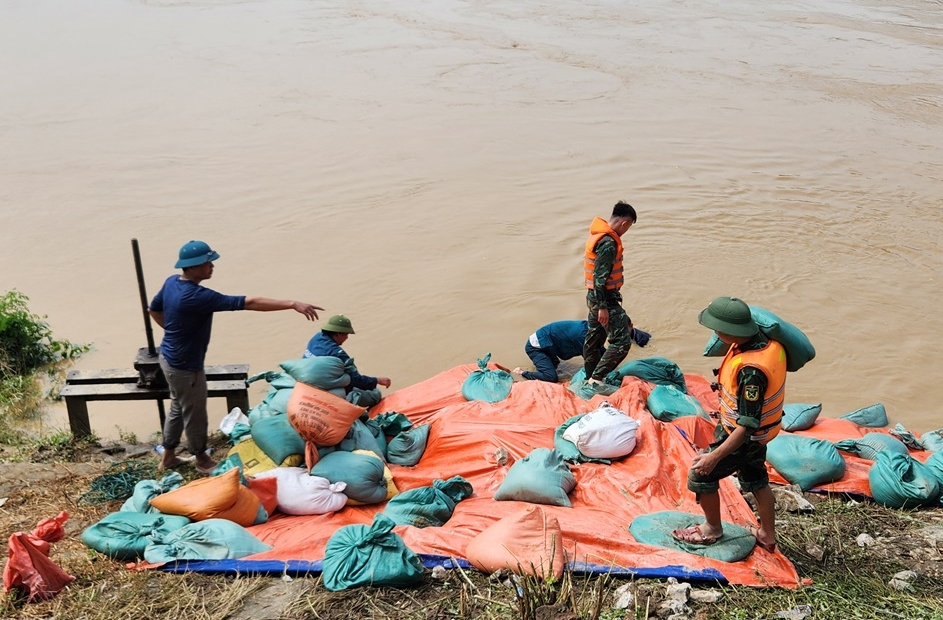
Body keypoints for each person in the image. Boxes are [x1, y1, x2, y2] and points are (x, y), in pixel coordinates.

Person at [149, 240, 323, 474]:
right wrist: (292, 304)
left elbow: (154, 309)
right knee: (195, 412)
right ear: (191, 267)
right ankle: (201, 460)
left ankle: (168, 457)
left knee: (177, 407)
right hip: (186, 366)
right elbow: (249, 302)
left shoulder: (172, 283)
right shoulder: (196, 296)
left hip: (168, 358)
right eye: (206, 263)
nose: (212, 266)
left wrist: (173, 332)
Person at [671, 296, 786, 553]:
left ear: (733, 331)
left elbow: (747, 425)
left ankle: (712, 529)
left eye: (717, 328)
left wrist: (714, 457)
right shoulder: (763, 344)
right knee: (756, 479)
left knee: (701, 475)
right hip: (760, 436)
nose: (714, 332)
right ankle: (767, 535)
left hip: (742, 437)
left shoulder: (751, 373)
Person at [582, 201, 638, 385]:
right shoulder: (608, 244)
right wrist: (603, 308)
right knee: (622, 342)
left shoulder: (599, 236)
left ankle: (589, 376)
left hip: (594, 297)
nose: (626, 230)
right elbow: (600, 278)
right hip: (604, 299)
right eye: (628, 226)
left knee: (594, 341)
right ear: (624, 223)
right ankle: (596, 380)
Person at [512, 320, 652, 383]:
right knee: (551, 377)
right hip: (537, 347)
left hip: (551, 344)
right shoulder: (586, 338)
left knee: (556, 367)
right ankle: (522, 372)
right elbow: (595, 365)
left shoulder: (597, 328)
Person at [302, 314, 392, 393]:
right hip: (323, 389)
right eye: (346, 334)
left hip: (306, 382)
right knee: (374, 393)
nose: (347, 338)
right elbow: (356, 380)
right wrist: (377, 380)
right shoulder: (337, 353)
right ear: (338, 334)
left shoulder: (316, 338)